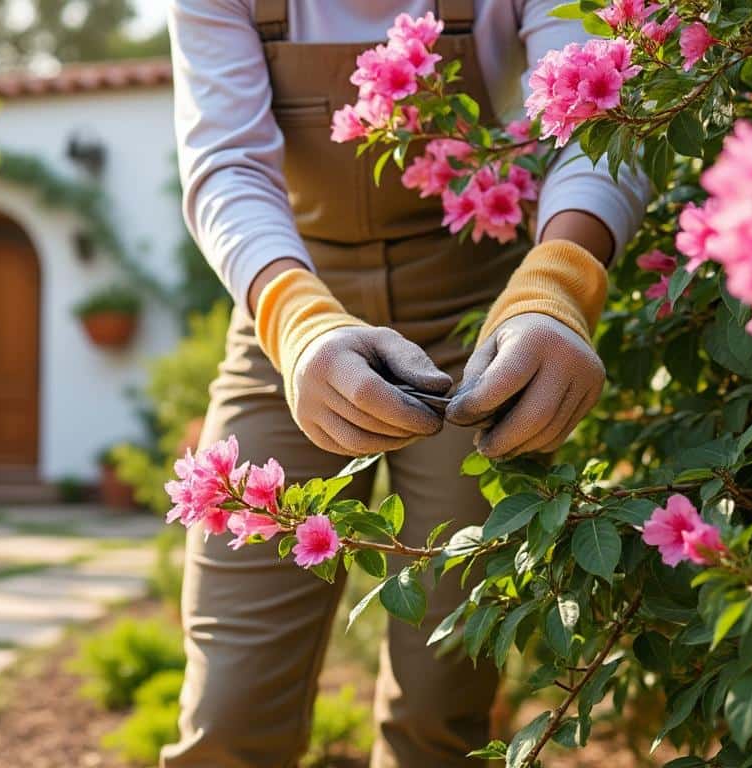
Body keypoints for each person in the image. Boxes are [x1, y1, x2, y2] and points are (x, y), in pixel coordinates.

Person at [164, 0, 648, 766]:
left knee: (439, 712)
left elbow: (599, 123)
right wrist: (299, 325)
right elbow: (225, 162)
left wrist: (556, 291)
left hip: (487, 321)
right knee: (229, 713)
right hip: (291, 312)